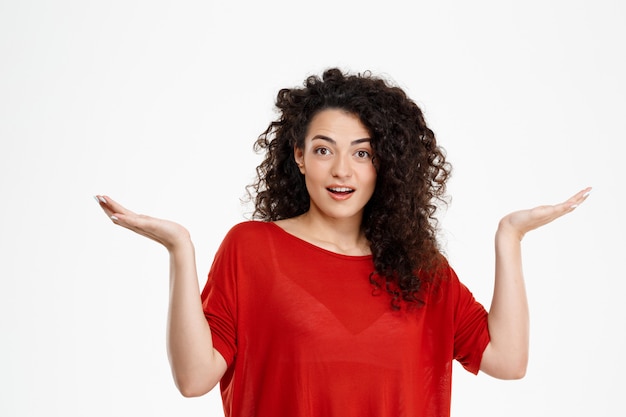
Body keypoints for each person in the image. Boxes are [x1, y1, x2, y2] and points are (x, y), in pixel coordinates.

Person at [95, 68, 591, 417]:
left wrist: (511, 236)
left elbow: (508, 360)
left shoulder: (421, 268)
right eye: (323, 149)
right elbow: (194, 379)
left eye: (362, 153)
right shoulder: (251, 249)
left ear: (385, 165)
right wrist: (180, 250)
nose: (341, 170)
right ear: (299, 157)